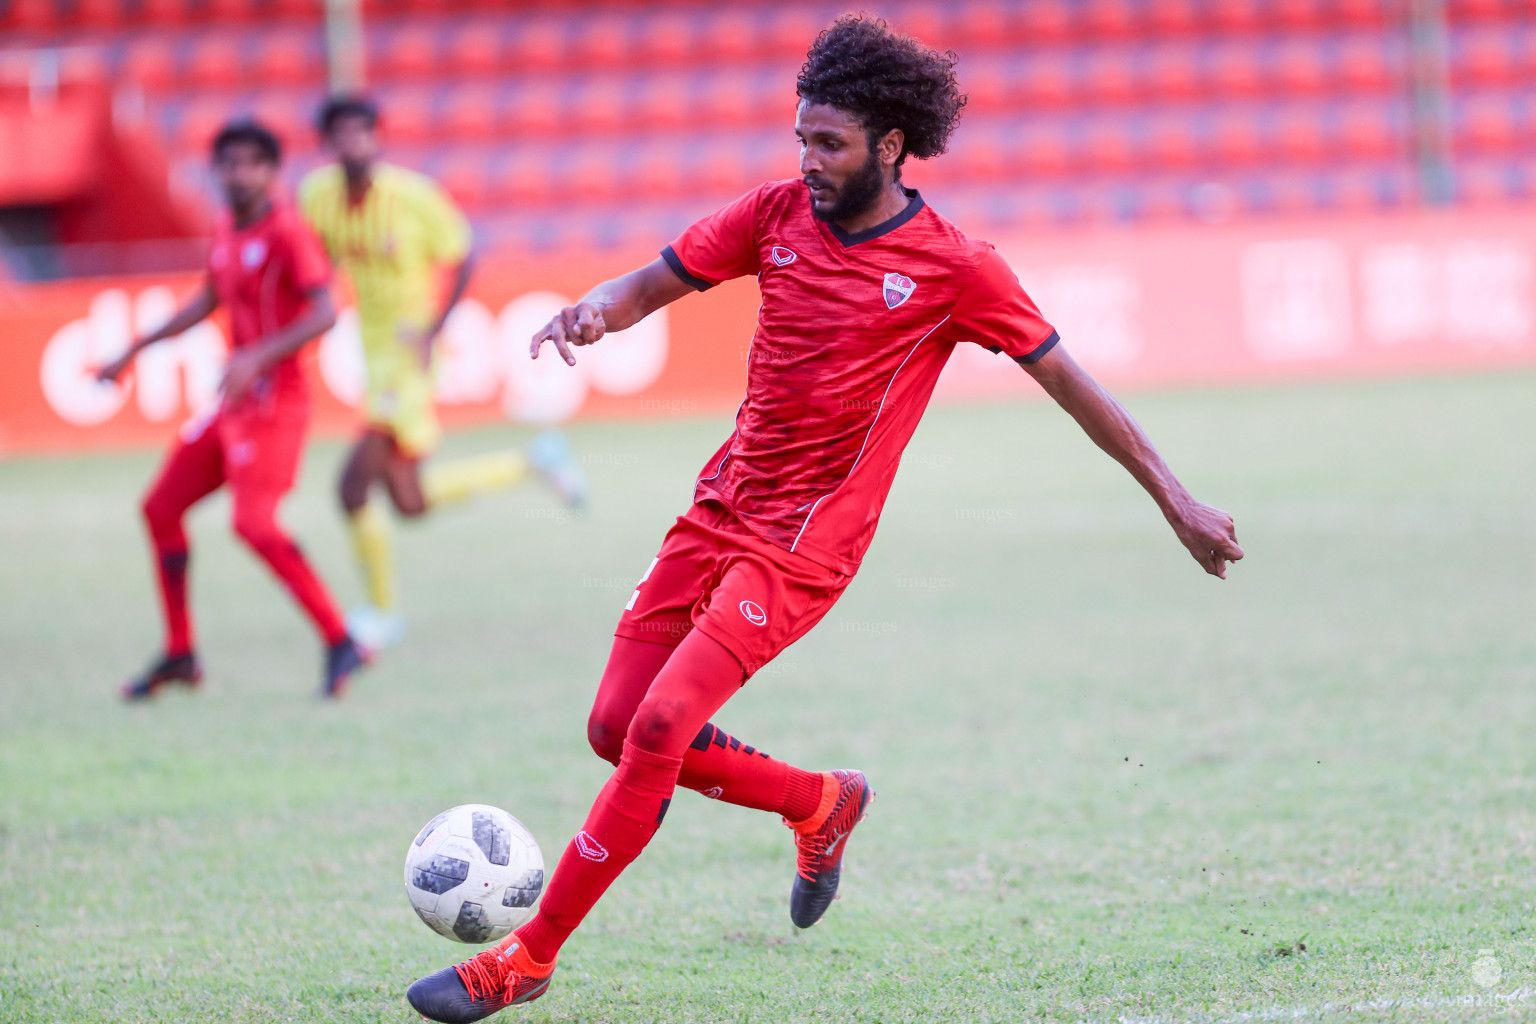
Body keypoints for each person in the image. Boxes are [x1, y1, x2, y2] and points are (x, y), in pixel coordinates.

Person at [405, 17, 1244, 1022]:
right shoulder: (774, 216)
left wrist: (1175, 497)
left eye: (829, 144)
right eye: (801, 138)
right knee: (614, 726)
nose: (807, 160)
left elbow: (1069, 380)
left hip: (805, 547)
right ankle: (820, 802)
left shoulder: (955, 267)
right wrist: (593, 309)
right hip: (718, 510)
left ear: (892, 144)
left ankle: (525, 960)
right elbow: (652, 282)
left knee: (663, 725)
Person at [299, 96, 585, 651]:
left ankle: (381, 616)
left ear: (377, 137)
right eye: (342, 133)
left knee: (352, 486)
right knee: (407, 502)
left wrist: (433, 329)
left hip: (409, 359)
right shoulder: (317, 199)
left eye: (363, 131)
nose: (353, 142)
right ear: (327, 143)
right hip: (372, 354)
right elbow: (310, 262)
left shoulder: (412, 198)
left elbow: (462, 254)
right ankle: (530, 461)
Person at [99, 119, 368, 701]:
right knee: (160, 508)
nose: (238, 173)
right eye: (228, 162)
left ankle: (340, 637)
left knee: (254, 524)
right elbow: (209, 297)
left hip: (278, 403)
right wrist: (133, 350)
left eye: (251, 163)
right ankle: (180, 653)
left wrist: (256, 358)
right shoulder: (223, 228)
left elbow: (325, 312)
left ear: (272, 171)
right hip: (235, 404)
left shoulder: (288, 232)